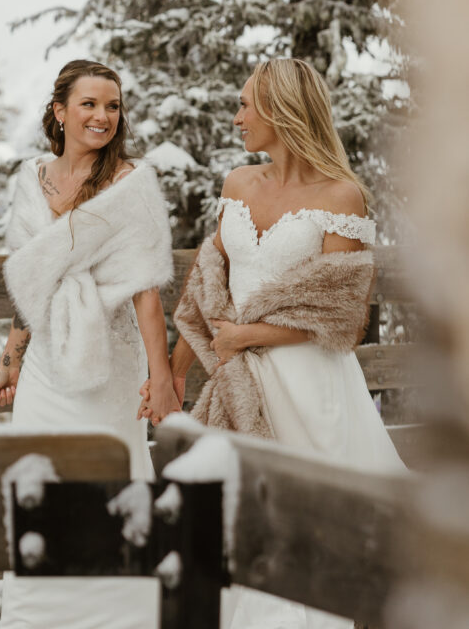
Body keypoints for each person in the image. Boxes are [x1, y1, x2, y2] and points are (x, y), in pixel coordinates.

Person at [139, 57, 404, 629]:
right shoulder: (237, 183)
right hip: (240, 383)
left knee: (313, 535)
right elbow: (207, 289)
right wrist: (175, 374)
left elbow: (346, 316)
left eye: (244, 105)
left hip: (312, 389)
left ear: (281, 111)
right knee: (241, 529)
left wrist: (248, 333)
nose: (236, 117)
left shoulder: (341, 196)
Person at [0, 59, 180, 629]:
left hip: (107, 369)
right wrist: (11, 359)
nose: (102, 116)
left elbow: (147, 293)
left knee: (109, 487)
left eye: (113, 106)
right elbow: (30, 280)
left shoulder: (131, 183)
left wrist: (161, 376)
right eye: (90, 104)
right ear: (60, 110)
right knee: (36, 488)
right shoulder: (32, 178)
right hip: (45, 366)